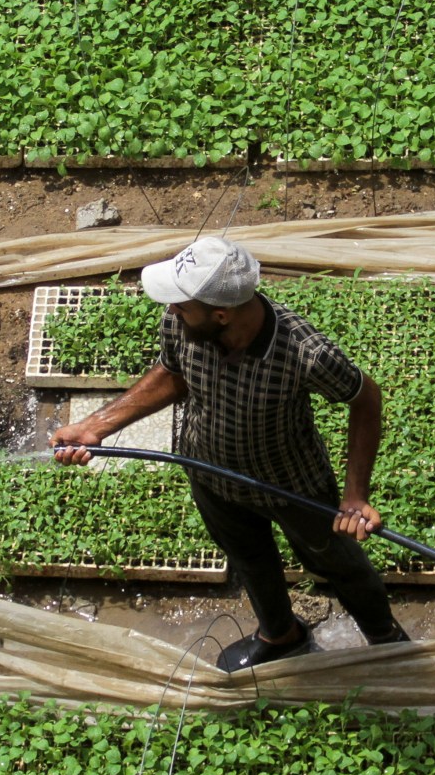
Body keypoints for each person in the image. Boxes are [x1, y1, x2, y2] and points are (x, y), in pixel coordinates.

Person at [49, 236, 407, 671]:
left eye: (182, 304)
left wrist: (354, 496)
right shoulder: (182, 322)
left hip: (292, 484)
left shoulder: (304, 352)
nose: (171, 309)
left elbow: (365, 399)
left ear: (221, 314)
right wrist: (96, 426)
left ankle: (387, 640)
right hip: (211, 472)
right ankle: (281, 635)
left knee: (335, 560)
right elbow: (173, 374)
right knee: (248, 557)